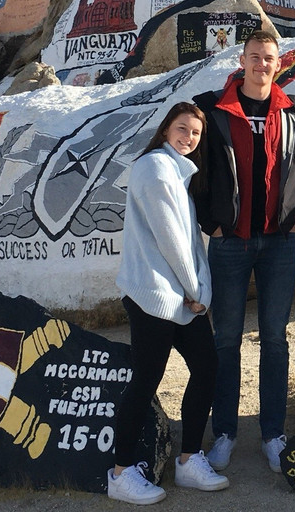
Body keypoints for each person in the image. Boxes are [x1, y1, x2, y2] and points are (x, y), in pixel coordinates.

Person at [193, 30, 295, 474]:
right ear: (243, 60)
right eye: (254, 57)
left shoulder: (293, 112)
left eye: (268, 58)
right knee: (225, 339)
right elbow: (193, 169)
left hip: (278, 243)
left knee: (275, 339)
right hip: (229, 242)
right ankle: (225, 432)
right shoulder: (213, 110)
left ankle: (273, 434)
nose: (261, 65)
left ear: (278, 63)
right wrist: (206, 220)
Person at [108, 102, 229, 505]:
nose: (188, 138)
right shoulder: (156, 169)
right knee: (146, 380)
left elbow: (189, 240)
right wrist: (197, 291)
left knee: (206, 367)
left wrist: (194, 291)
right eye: (182, 129)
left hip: (178, 295)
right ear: (164, 131)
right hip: (153, 294)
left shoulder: (176, 173)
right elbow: (171, 240)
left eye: (195, 133)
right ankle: (122, 473)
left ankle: (189, 459)